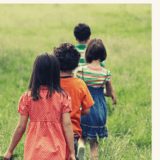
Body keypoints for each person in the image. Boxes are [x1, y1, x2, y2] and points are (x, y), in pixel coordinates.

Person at [3, 53, 75, 160]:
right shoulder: (62, 97)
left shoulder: (28, 97)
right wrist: (72, 152)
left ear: (35, 73)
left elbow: (21, 127)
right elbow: (67, 124)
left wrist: (9, 150)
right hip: (56, 151)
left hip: (33, 152)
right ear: (55, 73)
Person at [76, 39, 117, 160]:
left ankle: (81, 146)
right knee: (94, 143)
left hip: (85, 108)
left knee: (82, 136)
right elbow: (109, 92)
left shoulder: (81, 71)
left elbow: (77, 89)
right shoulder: (106, 73)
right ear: (103, 54)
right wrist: (102, 93)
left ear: (88, 53)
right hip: (99, 110)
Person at [54, 43, 94, 159]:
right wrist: (76, 110)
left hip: (53, 131)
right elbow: (87, 110)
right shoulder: (80, 84)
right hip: (73, 131)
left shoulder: (51, 83)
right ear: (76, 64)